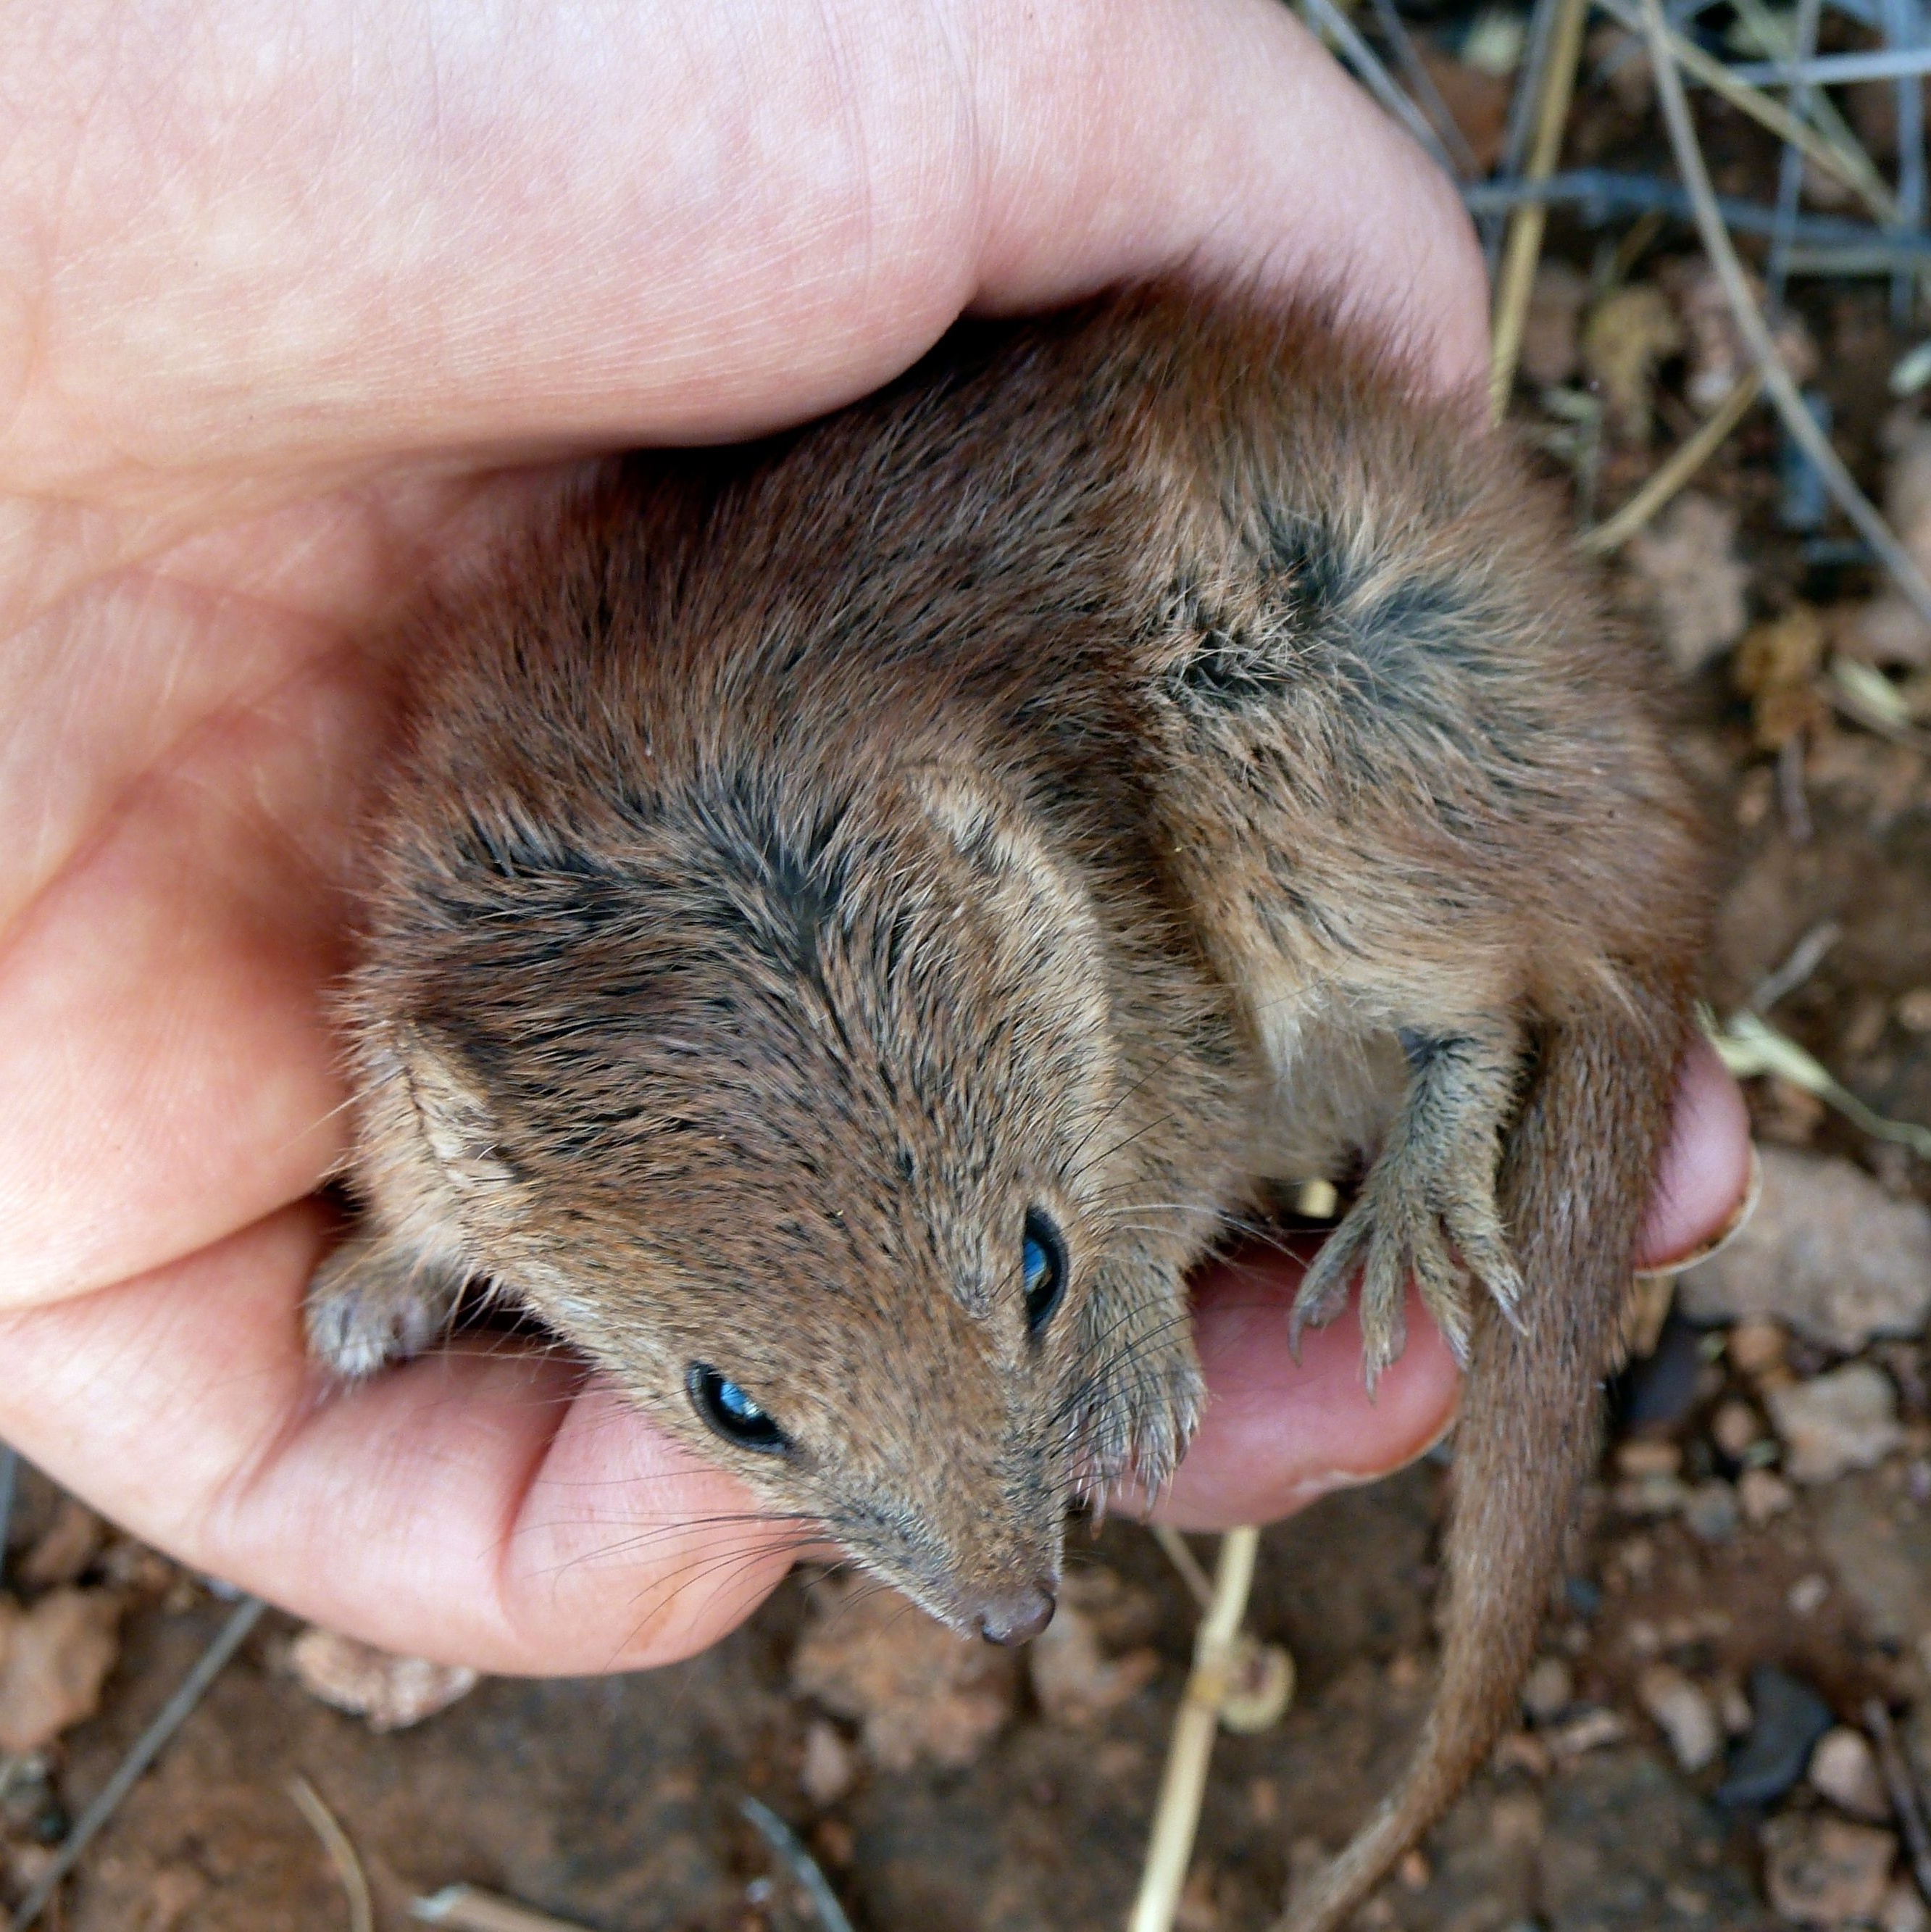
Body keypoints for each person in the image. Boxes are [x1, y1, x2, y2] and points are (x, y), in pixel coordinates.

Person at [0, 0, 1751, 1673]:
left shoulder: (992, 913)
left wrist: (1121, 1256)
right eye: (741, 1413)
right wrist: (402, 1256)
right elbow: (430, 1153)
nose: (999, 1591)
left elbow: (1146, 1027)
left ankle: (1464, 1044)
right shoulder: (468, 1109)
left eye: (1032, 1264)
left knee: (1318, 835)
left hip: (1268, 627)